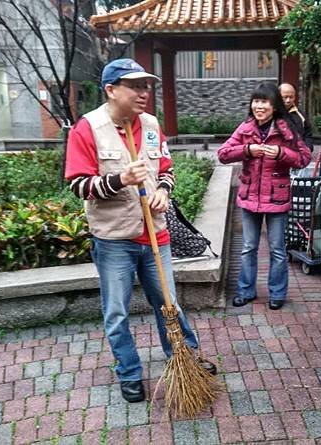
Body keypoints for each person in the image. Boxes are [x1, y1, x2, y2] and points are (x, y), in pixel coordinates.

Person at [65, 58, 215, 404]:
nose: (144, 92)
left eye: (146, 85)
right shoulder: (87, 129)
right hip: (114, 239)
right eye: (135, 85)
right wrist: (119, 180)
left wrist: (163, 190)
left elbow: (166, 168)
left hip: (156, 236)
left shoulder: (149, 124)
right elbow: (78, 185)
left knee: (169, 304)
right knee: (116, 311)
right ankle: (129, 373)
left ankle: (184, 358)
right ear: (111, 90)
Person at [218, 82, 311, 310]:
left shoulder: (286, 130)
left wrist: (281, 153)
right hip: (249, 196)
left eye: (265, 102)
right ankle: (245, 291)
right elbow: (222, 154)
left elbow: (304, 157)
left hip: (276, 199)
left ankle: (277, 294)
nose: (259, 106)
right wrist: (247, 150)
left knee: (277, 249)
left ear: (274, 106)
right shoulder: (246, 128)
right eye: (256, 101)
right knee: (248, 247)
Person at [279, 83, 314, 151]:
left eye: (291, 97)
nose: (288, 100)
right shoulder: (270, 113)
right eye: (285, 97)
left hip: (298, 155)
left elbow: (308, 134)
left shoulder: (300, 114)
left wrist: (308, 148)